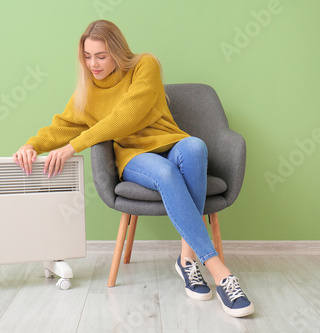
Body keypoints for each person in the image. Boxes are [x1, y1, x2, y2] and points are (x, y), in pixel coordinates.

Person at [13, 19, 254, 318]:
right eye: (87, 57)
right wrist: (32, 145)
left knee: (195, 146)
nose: (93, 64)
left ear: (116, 51)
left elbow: (129, 114)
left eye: (101, 56)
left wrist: (75, 146)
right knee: (166, 174)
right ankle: (220, 272)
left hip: (170, 142)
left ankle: (187, 259)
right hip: (133, 158)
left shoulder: (145, 65)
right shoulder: (87, 92)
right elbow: (62, 126)